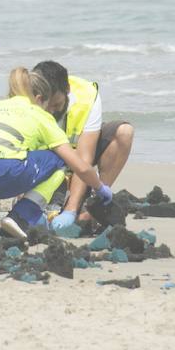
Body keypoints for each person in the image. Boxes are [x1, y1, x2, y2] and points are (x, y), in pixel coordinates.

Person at [0, 67, 114, 241]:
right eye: (50, 106)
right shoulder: (39, 115)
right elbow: (79, 165)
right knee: (58, 158)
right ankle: (21, 217)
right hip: (4, 172)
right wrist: (101, 189)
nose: (51, 111)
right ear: (40, 99)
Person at [33, 60, 136, 233]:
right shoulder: (25, 97)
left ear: (66, 91)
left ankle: (92, 207)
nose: (50, 110)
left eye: (56, 104)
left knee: (124, 133)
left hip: (77, 157)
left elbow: (84, 159)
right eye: (45, 104)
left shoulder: (86, 96)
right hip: (45, 161)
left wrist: (70, 211)